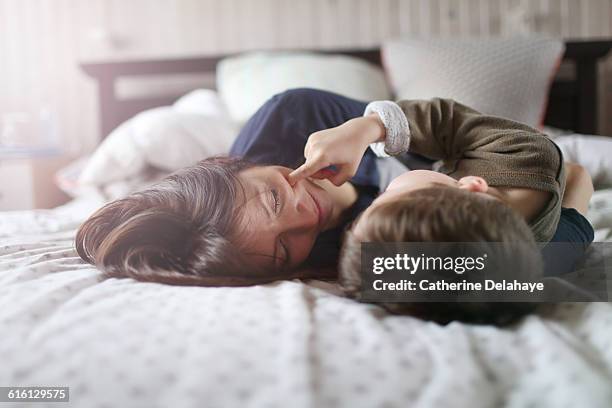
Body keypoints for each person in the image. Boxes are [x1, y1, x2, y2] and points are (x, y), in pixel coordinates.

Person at [75, 88, 594, 288]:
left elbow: (437, 123)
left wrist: (363, 129)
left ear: (234, 167)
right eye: (284, 248)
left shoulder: (295, 119)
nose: (309, 219)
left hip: (443, 150)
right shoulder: (331, 253)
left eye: (276, 198)